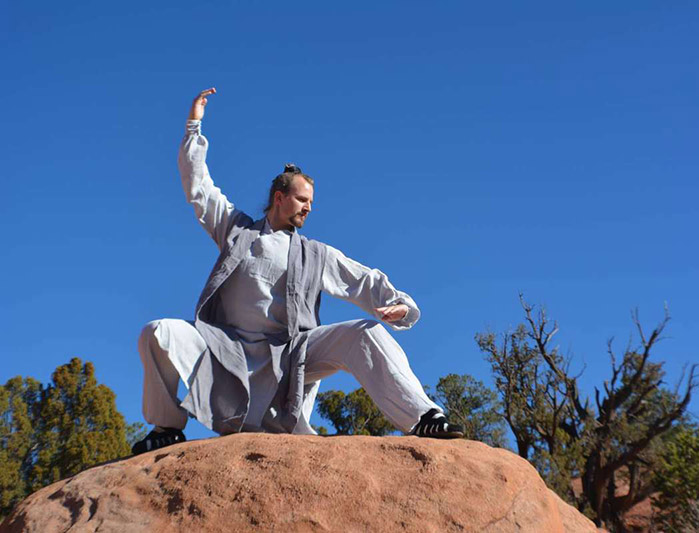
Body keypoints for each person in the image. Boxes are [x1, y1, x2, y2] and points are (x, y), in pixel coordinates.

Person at [132, 88, 463, 455]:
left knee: (365, 333)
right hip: (225, 352)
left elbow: (361, 279)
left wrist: (399, 304)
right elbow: (199, 188)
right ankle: (167, 427)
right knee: (157, 332)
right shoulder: (236, 230)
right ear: (279, 196)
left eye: (311, 203)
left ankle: (424, 417)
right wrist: (193, 126)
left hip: (292, 357)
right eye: (303, 200)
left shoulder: (314, 253)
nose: (308, 209)